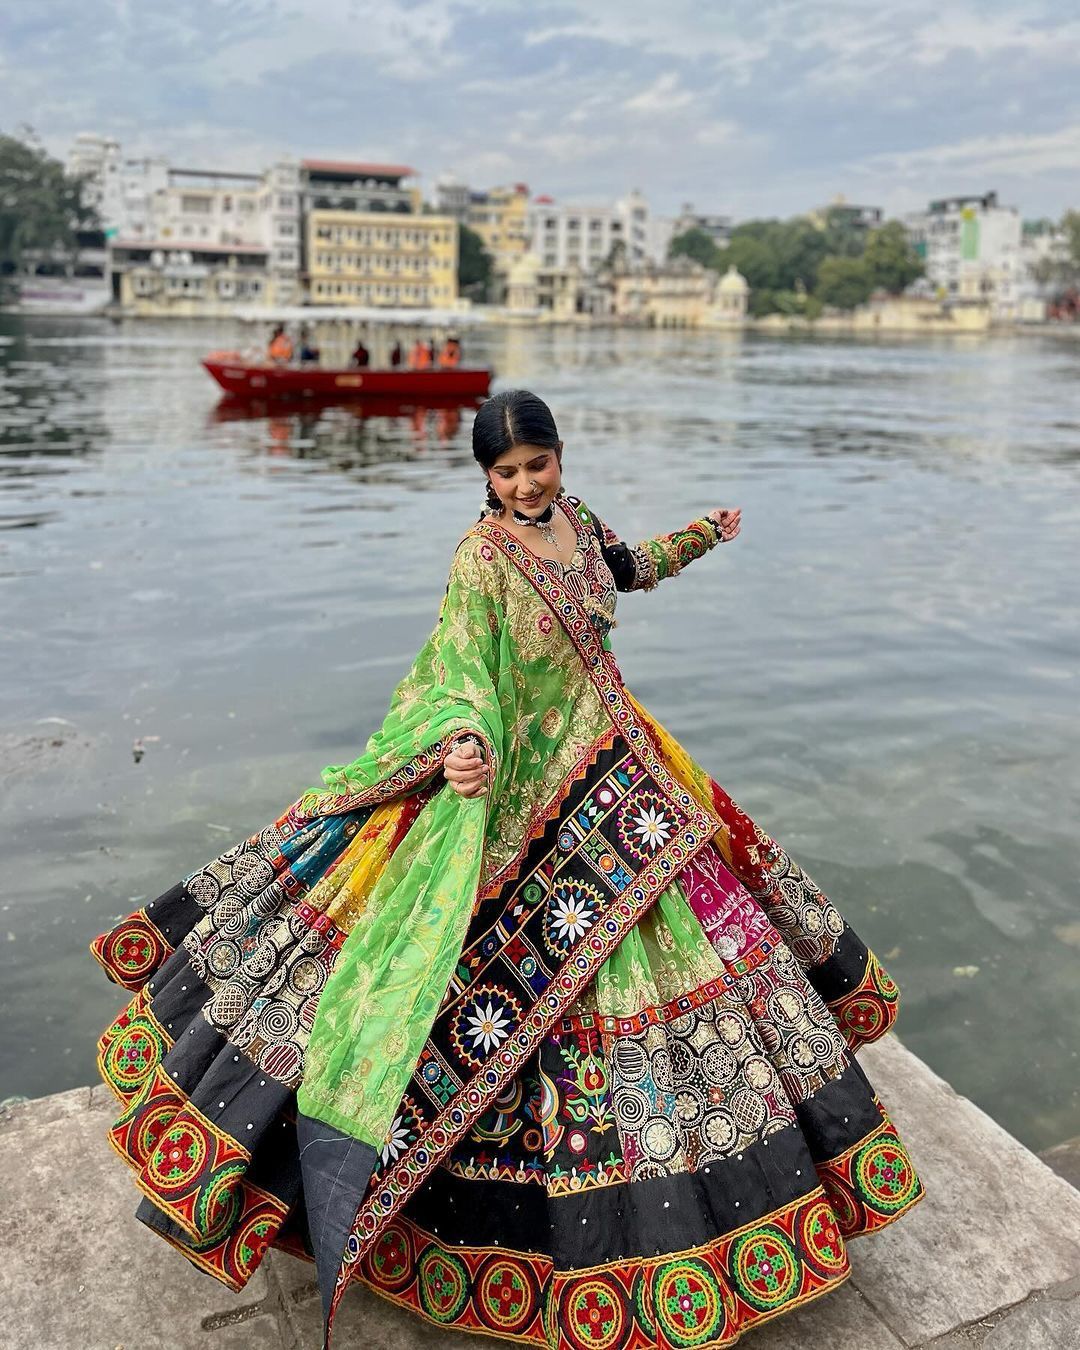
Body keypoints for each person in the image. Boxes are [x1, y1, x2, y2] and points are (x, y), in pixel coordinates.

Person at [91, 389, 921, 1347]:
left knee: (698, 945)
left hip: (620, 762)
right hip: (526, 790)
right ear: (486, 478)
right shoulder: (481, 562)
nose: (528, 484)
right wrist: (461, 743)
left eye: (540, 464)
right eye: (508, 472)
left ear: (560, 459)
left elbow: (626, 568)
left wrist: (700, 535)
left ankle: (720, 1197)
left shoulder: (576, 520)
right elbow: (455, 673)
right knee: (467, 988)